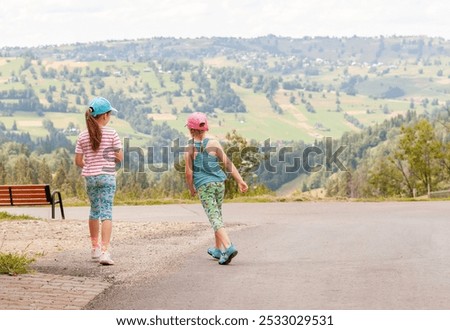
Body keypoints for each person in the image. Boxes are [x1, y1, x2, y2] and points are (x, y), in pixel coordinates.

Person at [184, 112, 248, 265]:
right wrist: (240, 181)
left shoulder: (190, 147)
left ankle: (228, 247)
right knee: (217, 214)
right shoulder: (214, 143)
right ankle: (218, 249)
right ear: (205, 128)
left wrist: (191, 188)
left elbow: (188, 172)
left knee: (214, 217)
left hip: (204, 186)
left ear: (191, 130)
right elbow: (228, 163)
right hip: (219, 184)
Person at [75, 97, 123, 266]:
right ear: (104, 116)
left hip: (90, 177)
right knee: (107, 213)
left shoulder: (82, 135)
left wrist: (90, 163)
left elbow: (78, 161)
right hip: (107, 176)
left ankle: (95, 248)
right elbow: (119, 157)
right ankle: (105, 252)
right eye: (109, 114)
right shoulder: (112, 133)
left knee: (94, 210)